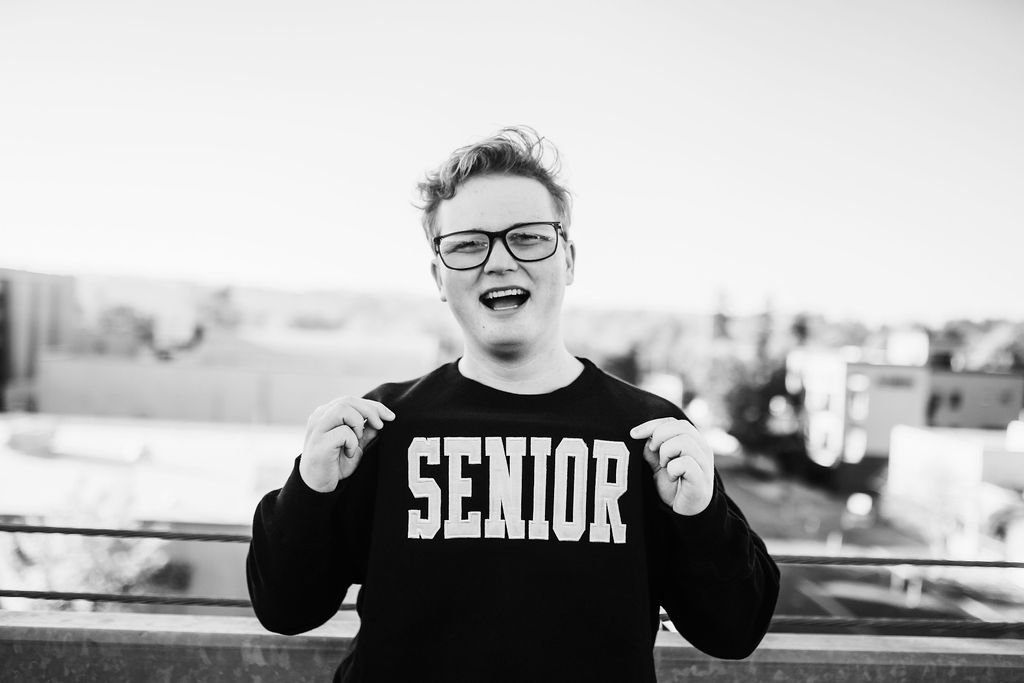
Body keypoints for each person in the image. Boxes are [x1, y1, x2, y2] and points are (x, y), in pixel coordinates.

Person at [246, 127, 780, 682]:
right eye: (468, 243)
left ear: (568, 260)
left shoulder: (651, 435)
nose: (499, 261)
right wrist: (308, 489)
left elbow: (734, 631)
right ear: (438, 275)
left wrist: (701, 517)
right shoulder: (380, 428)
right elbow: (285, 609)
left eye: (527, 237)